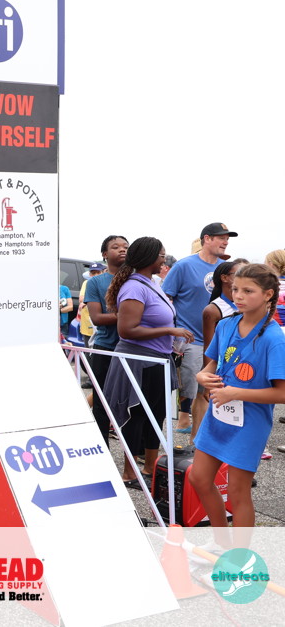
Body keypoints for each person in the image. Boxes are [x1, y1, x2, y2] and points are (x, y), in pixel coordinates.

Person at [190, 264, 285, 546]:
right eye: (235, 289)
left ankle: (240, 556)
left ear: (268, 294)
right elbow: (213, 364)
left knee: (237, 492)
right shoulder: (225, 325)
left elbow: (282, 393)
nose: (239, 296)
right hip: (218, 416)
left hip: (249, 424)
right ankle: (221, 542)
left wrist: (236, 393)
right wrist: (202, 375)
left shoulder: (273, 338)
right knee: (199, 478)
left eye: (248, 291)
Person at [103, 237, 193, 488]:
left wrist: (169, 340)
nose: (164, 260)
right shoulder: (134, 287)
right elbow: (127, 330)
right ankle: (129, 473)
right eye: (161, 255)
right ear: (149, 258)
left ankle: (150, 468)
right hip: (139, 361)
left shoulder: (151, 283)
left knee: (157, 415)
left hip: (158, 360)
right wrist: (169, 331)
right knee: (137, 416)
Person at [163, 223, 235, 444]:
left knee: (211, 390)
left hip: (221, 339)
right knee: (195, 390)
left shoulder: (227, 268)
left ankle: (200, 440)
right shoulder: (184, 266)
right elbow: (166, 298)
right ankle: (194, 439)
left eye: (227, 239)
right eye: (221, 238)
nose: (225, 242)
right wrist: (174, 332)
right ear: (207, 239)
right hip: (192, 339)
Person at [84, 235, 129, 443]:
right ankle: (102, 447)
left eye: (126, 246)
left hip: (133, 349)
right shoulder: (95, 282)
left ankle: (134, 452)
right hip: (105, 349)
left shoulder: (137, 279)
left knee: (131, 402)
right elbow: (97, 318)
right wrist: (128, 316)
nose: (122, 249)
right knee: (101, 401)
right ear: (104, 254)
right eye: (115, 247)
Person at [78, 262, 105, 345]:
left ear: (103, 273)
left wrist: (87, 300)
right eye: (93, 273)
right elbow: (81, 298)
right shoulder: (86, 283)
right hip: (87, 325)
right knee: (87, 350)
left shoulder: (106, 283)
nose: (95, 275)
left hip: (102, 326)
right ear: (89, 274)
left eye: (98, 272)